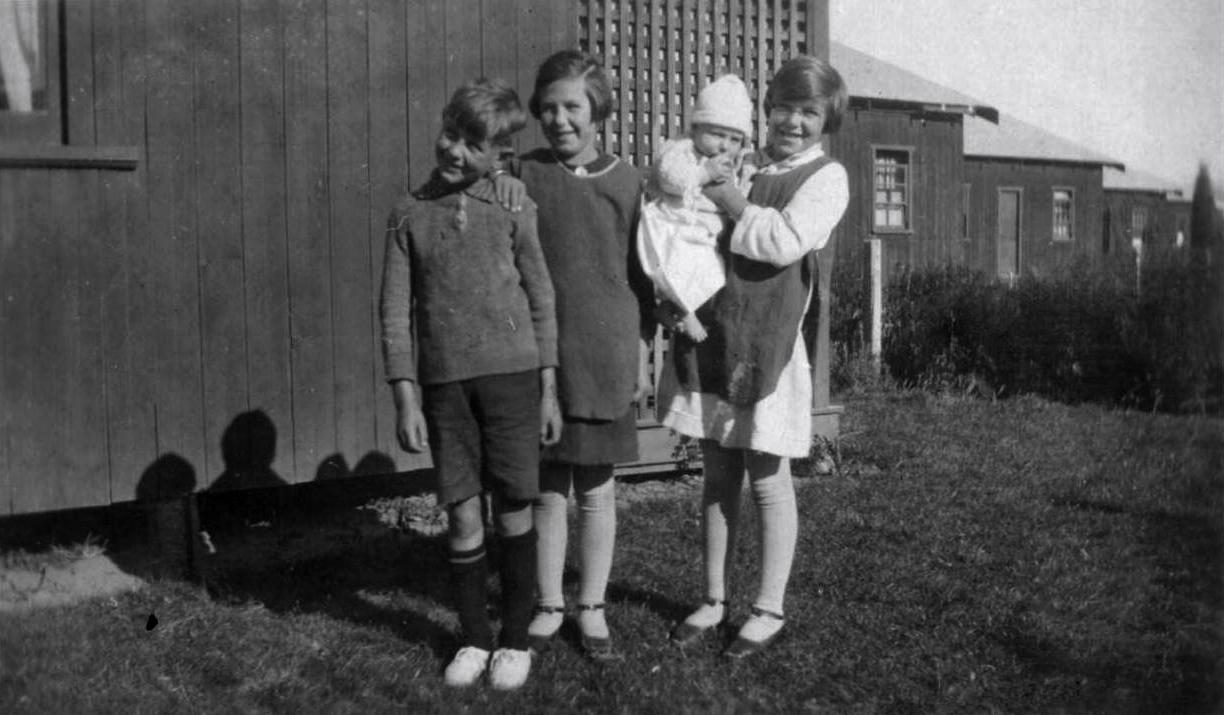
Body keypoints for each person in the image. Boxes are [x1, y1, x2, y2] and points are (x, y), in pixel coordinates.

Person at [656, 55, 849, 658]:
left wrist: (732, 201)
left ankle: (768, 606)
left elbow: (784, 240)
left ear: (827, 121)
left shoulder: (825, 177)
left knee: (768, 474)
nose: (794, 121)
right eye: (784, 108)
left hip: (768, 344)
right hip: (716, 332)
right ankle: (714, 598)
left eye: (809, 112)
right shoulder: (744, 164)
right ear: (766, 112)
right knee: (717, 471)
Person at [379, 78, 561, 691]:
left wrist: (548, 388)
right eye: (450, 134)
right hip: (444, 389)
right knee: (461, 514)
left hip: (511, 380)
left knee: (512, 508)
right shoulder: (408, 213)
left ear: (498, 156)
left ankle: (514, 640)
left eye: (473, 145)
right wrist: (406, 395)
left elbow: (541, 298)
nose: (454, 150)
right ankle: (474, 639)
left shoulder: (514, 206)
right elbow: (394, 312)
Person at [495, 49, 655, 660]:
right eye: (551, 107)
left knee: (598, 488)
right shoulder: (524, 176)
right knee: (547, 487)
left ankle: (591, 604)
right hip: (541, 358)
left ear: (600, 113)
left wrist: (642, 352)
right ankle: (547, 602)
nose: (561, 119)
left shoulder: (628, 182)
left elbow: (644, 278)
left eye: (575, 107)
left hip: (607, 351)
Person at [638, 73, 757, 343]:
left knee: (711, 272)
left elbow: (736, 189)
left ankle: (670, 307)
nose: (725, 145)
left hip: (704, 232)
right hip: (676, 223)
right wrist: (703, 174)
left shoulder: (727, 160)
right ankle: (685, 310)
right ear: (696, 129)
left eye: (735, 139)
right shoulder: (683, 150)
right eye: (717, 134)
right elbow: (671, 177)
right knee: (685, 264)